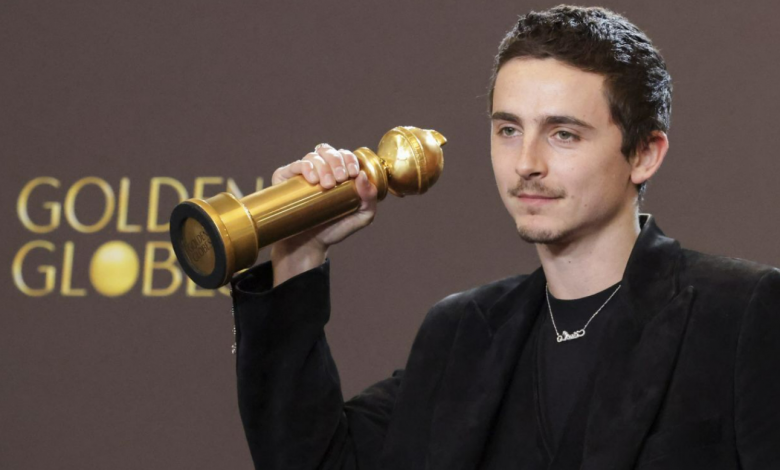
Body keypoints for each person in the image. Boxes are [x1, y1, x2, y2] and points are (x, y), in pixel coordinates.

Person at [230, 5, 780, 469]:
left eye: (563, 134)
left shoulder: (741, 312)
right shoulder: (461, 333)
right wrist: (298, 254)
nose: (526, 163)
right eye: (509, 130)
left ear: (644, 154)